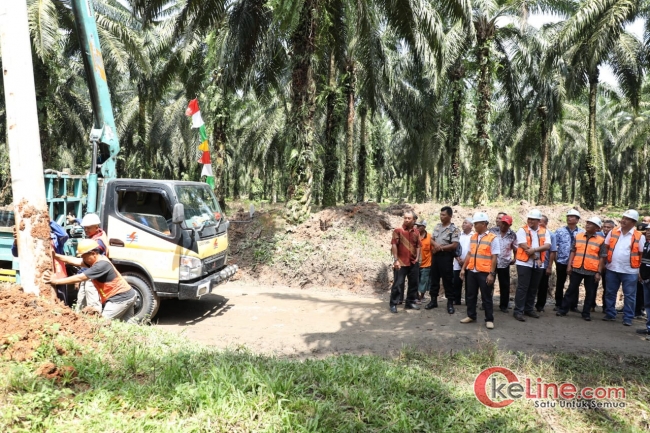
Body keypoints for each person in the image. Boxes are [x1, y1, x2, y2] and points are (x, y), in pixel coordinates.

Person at [43, 239, 136, 322]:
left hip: (119, 299)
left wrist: (56, 281)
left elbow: (80, 277)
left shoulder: (101, 265)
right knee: (128, 326)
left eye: (84, 256)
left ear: (93, 253)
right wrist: (55, 256)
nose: (83, 259)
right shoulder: (96, 260)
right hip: (129, 295)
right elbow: (74, 261)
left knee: (101, 325)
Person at [556, 217, 607, 321]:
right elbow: (573, 252)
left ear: (597, 228)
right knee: (571, 290)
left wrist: (598, 272)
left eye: (591, 224)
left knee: (590, 292)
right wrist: (570, 265)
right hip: (577, 269)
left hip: (592, 271)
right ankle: (563, 309)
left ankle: (586, 313)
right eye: (587, 223)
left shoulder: (601, 241)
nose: (587, 225)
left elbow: (602, 257)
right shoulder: (578, 236)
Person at [12, 219, 71, 304]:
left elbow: (64, 234)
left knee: (61, 300)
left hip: (57, 274)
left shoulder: (54, 238)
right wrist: (16, 241)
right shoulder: (28, 238)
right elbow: (16, 253)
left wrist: (47, 219)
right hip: (37, 275)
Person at [603, 210, 646, 326]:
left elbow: (641, 254)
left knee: (630, 295)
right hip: (612, 268)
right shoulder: (613, 232)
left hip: (630, 271)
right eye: (623, 217)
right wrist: (603, 264)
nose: (623, 220)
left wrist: (639, 271)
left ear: (633, 222)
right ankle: (610, 314)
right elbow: (606, 248)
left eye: (627, 218)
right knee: (610, 292)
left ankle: (628, 317)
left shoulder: (639, 236)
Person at [459, 212, 500, 329]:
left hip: (485, 272)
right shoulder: (473, 237)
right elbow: (469, 253)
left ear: (484, 224)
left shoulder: (492, 238)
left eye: (476, 224)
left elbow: (494, 257)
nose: (474, 226)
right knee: (471, 295)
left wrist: (492, 274)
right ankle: (471, 315)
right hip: (472, 271)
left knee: (486, 296)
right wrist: (463, 269)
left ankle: (489, 319)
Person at [513, 209, 551, 322]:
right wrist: (536, 257)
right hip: (524, 263)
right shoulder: (522, 230)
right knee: (522, 287)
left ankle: (529, 309)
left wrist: (534, 250)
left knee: (533, 287)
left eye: (533, 219)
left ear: (538, 221)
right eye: (529, 218)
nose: (530, 221)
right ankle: (518, 311)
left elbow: (547, 245)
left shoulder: (544, 231)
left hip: (538, 264)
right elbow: (523, 246)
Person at [426, 206, 460, 314]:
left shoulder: (454, 229)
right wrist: (436, 245)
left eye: (444, 215)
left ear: (450, 216)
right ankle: (433, 301)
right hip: (436, 256)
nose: (441, 217)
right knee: (434, 279)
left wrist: (440, 248)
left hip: (446, 257)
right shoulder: (437, 227)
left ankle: (450, 303)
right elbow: (431, 239)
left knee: (448, 280)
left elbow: (454, 245)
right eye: (441, 214)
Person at [389, 211, 421, 313]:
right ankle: (393, 303)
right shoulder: (398, 231)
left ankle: (410, 303)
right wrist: (396, 260)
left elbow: (419, 246)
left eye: (409, 218)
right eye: (405, 218)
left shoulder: (416, 232)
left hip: (413, 262)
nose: (406, 220)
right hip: (401, 262)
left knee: (413, 284)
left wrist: (417, 258)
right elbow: (394, 245)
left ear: (414, 220)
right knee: (398, 284)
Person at [554, 209, 584, 312]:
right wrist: (556, 259)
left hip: (576, 263)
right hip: (562, 261)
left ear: (577, 220)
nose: (569, 218)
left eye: (572, 217)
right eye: (568, 216)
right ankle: (558, 303)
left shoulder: (582, 233)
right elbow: (555, 247)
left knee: (574, 284)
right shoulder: (559, 231)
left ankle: (573, 305)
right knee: (560, 283)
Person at [489, 215, 518, 313]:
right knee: (489, 283)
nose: (503, 226)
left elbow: (515, 247)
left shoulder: (512, 234)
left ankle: (504, 306)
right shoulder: (492, 231)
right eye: (502, 223)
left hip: (504, 263)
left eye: (506, 224)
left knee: (504, 285)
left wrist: (515, 258)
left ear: (510, 225)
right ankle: (487, 304)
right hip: (491, 261)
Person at [535, 215, 558, 313]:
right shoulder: (532, 233)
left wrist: (549, 266)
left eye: (541, 222)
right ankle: (527, 304)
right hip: (532, 263)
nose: (539, 224)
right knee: (530, 285)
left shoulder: (551, 235)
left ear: (546, 223)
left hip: (544, 265)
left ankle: (540, 306)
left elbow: (553, 251)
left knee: (543, 286)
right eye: (538, 221)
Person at [453, 218, 474, 306]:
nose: (463, 224)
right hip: (457, 263)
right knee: (456, 282)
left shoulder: (474, 236)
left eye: (465, 223)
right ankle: (456, 300)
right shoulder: (458, 235)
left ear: (471, 226)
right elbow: (454, 247)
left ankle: (469, 301)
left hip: (469, 263)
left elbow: (473, 250)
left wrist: (465, 260)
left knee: (469, 284)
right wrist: (458, 259)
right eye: (463, 223)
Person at [597, 219, 616, 312]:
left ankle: (606, 308)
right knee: (593, 286)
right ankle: (591, 305)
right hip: (595, 265)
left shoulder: (615, 236)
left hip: (609, 266)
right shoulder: (597, 235)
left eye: (609, 227)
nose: (606, 229)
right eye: (604, 227)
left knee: (608, 288)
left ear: (613, 228)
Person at [635, 223, 650, 337]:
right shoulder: (646, 244)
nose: (648, 232)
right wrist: (640, 273)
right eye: (647, 230)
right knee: (647, 304)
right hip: (645, 278)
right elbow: (643, 261)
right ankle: (649, 327)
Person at [416, 220, 432, 303]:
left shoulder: (429, 237)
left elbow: (432, 250)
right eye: (417, 226)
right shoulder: (414, 235)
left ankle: (421, 297)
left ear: (424, 227)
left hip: (426, 263)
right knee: (415, 280)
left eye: (420, 226)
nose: (417, 227)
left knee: (423, 281)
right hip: (415, 263)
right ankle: (417, 296)